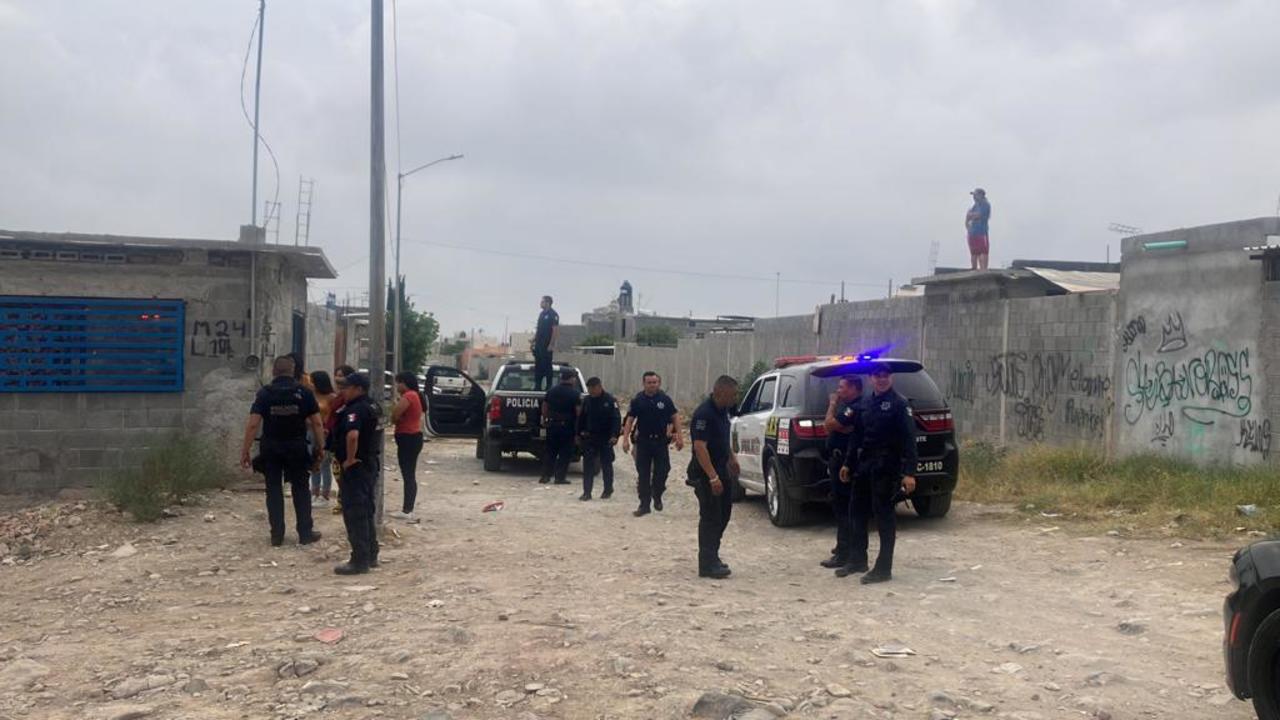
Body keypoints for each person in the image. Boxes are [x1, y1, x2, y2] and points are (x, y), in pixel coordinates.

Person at [838, 362, 918, 583]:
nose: (882, 379)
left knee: (884, 516)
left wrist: (909, 472)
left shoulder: (899, 404)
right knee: (856, 511)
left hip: (887, 466)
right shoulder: (865, 402)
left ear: (891, 378)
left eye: (885, 375)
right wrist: (848, 463)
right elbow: (857, 436)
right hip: (864, 464)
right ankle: (857, 559)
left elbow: (909, 440)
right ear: (871, 378)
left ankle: (883, 568)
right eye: (877, 375)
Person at [240, 355, 324, 547]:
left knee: (273, 490)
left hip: (271, 447)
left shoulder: (265, 393)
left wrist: (245, 450)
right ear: (293, 371)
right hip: (297, 446)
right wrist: (320, 447)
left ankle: (277, 535)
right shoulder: (304, 392)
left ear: (273, 371)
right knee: (301, 488)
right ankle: (305, 533)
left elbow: (253, 424)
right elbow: (317, 423)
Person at [687, 375, 740, 579]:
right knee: (711, 517)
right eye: (732, 395)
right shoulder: (704, 413)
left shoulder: (723, 411)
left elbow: (723, 439)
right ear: (720, 393)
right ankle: (707, 564)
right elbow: (700, 447)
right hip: (705, 473)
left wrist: (732, 458)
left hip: (721, 468)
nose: (735, 398)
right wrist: (712, 477)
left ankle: (713, 556)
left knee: (724, 514)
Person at [333, 372, 381, 575]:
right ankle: (370, 554)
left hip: (356, 467)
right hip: (369, 463)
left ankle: (359, 560)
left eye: (347, 387)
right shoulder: (373, 406)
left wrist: (350, 459)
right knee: (366, 510)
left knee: (355, 512)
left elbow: (352, 435)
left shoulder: (356, 409)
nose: (343, 391)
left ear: (359, 389)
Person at [622, 371, 683, 517]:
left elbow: (675, 417)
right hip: (643, 442)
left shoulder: (665, 399)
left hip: (660, 442)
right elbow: (630, 420)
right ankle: (644, 505)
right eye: (649, 383)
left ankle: (657, 494)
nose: (652, 385)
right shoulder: (638, 400)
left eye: (655, 382)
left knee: (663, 470)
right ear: (644, 384)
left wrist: (679, 436)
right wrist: (625, 439)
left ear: (659, 383)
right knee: (643, 474)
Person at [820, 375, 864, 569]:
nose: (838, 391)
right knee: (841, 507)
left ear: (854, 388)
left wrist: (832, 404)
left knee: (844, 508)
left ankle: (845, 553)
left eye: (842, 387)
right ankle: (843, 548)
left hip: (847, 463)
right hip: (838, 459)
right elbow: (829, 427)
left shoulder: (853, 407)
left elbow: (828, 425)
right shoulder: (848, 407)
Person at [578, 376, 621, 501]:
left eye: (593, 388)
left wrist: (614, 435)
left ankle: (608, 489)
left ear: (599, 387)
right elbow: (581, 418)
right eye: (589, 389)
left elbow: (616, 419)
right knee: (588, 466)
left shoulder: (610, 400)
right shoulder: (587, 400)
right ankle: (587, 492)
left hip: (605, 438)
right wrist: (578, 433)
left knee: (606, 465)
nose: (591, 391)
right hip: (590, 437)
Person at [389, 372, 425, 521]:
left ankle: (407, 510)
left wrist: (395, 417)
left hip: (408, 437)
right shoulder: (415, 395)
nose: (397, 386)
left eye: (399, 383)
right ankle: (408, 508)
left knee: (408, 474)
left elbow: (395, 415)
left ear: (405, 383)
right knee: (409, 474)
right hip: (413, 437)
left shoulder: (409, 396)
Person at [540, 368, 581, 486]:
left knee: (550, 452)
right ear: (571, 379)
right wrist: (579, 425)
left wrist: (546, 418)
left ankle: (545, 476)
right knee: (565, 453)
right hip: (567, 427)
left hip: (552, 425)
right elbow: (578, 411)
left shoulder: (551, 391)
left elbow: (545, 406)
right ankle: (560, 477)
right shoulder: (575, 393)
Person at [326, 365, 357, 516]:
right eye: (336, 375)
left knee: (342, 472)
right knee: (337, 471)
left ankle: (345, 500)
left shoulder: (348, 399)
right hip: (334, 437)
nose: (337, 378)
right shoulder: (338, 396)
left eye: (341, 375)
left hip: (342, 439)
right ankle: (342, 499)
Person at [309, 370, 338, 507]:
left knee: (325, 463)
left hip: (326, 432)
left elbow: (333, 417)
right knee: (314, 463)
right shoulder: (311, 396)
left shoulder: (332, 397)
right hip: (311, 432)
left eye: (312, 381)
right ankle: (314, 492)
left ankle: (325, 495)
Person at [532, 295, 560, 391]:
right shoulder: (541, 314)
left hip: (546, 344)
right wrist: (533, 340)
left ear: (548, 303)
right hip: (539, 344)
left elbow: (555, 330)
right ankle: (537, 385)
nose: (541, 303)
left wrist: (551, 344)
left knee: (547, 364)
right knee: (538, 364)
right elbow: (538, 329)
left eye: (542, 302)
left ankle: (549, 385)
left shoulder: (553, 315)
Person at [966, 187, 991, 270]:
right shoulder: (974, 206)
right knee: (974, 252)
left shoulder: (985, 204)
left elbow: (979, 215)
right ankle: (974, 268)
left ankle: (983, 269)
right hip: (972, 233)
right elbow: (967, 217)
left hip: (981, 232)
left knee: (983, 252)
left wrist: (971, 215)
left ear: (981, 195)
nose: (974, 197)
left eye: (975, 195)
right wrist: (968, 228)